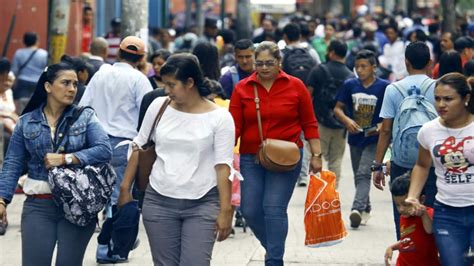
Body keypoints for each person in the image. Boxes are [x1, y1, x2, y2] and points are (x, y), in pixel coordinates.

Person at [118, 53, 235, 265]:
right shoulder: (159, 107)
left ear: (190, 82)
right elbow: (139, 146)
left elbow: (223, 166)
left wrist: (226, 210)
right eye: (165, 84)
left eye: (172, 85)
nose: (166, 90)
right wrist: (125, 189)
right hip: (158, 200)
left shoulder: (220, 117)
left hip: (203, 202)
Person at [0, 63, 112, 265]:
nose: (72, 89)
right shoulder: (26, 122)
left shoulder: (85, 117)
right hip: (38, 205)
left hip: (77, 204)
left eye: (75, 84)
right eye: (65, 83)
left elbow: (104, 149)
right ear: (48, 86)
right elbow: (12, 163)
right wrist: (2, 200)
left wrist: (66, 158)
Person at [229, 41, 322, 265]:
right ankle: (272, 247)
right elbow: (233, 127)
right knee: (249, 210)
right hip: (252, 158)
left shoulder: (296, 86)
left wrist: (316, 155)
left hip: (287, 158)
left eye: (269, 62)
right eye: (258, 63)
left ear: (279, 62)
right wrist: (224, 157)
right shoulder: (242, 88)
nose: (263, 67)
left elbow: (309, 122)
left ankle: (274, 260)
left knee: (273, 208)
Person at [80, 36, 153, 263]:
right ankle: (109, 248)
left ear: (118, 53)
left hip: (96, 143)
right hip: (124, 146)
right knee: (118, 198)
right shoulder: (139, 80)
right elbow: (148, 115)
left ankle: (115, 243)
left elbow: (84, 109)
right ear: (141, 59)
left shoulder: (100, 75)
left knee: (100, 196)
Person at [406, 73, 474, 266]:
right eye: (437, 99)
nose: (441, 104)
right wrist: (412, 195)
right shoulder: (428, 131)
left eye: (448, 99)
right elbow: (421, 165)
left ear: (466, 99)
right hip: (447, 213)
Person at [373, 41, 438, 240]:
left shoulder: (393, 89)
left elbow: (385, 131)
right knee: (431, 211)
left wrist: (378, 166)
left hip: (402, 162)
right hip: (433, 162)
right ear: (430, 63)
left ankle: (406, 250)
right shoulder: (439, 88)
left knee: (402, 212)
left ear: (406, 63)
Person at [334, 50, 389, 228]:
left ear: (374, 68)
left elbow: (392, 113)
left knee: (364, 172)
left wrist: (383, 126)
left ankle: (356, 209)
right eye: (357, 66)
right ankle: (366, 206)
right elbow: (338, 108)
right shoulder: (350, 85)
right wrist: (347, 120)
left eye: (363, 66)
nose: (359, 70)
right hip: (355, 137)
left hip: (375, 139)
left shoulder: (385, 87)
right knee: (359, 175)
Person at [306, 40, 355, 187]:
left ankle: (317, 191)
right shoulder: (350, 76)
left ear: (331, 52)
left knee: (317, 156)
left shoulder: (318, 70)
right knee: (336, 160)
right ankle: (332, 191)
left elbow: (308, 96)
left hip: (320, 121)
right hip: (341, 124)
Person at [384, 173, 440, 266]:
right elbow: (408, 240)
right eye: (397, 205)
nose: (401, 209)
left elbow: (430, 230)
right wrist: (392, 247)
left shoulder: (428, 213)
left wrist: (423, 214)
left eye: (406, 204)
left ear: (421, 200)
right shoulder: (404, 217)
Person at [11, 32, 48, 114]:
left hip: (22, 82)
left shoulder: (19, 53)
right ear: (36, 41)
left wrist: (12, 84)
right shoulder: (44, 54)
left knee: (21, 107)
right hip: (38, 82)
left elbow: (14, 70)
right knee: (37, 106)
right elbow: (46, 70)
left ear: (24, 41)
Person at [0, 58, 17, 155]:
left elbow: (13, 112)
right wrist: (8, 116)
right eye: (3, 79)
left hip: (11, 123)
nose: (6, 83)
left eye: (9, 80)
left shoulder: (9, 92)